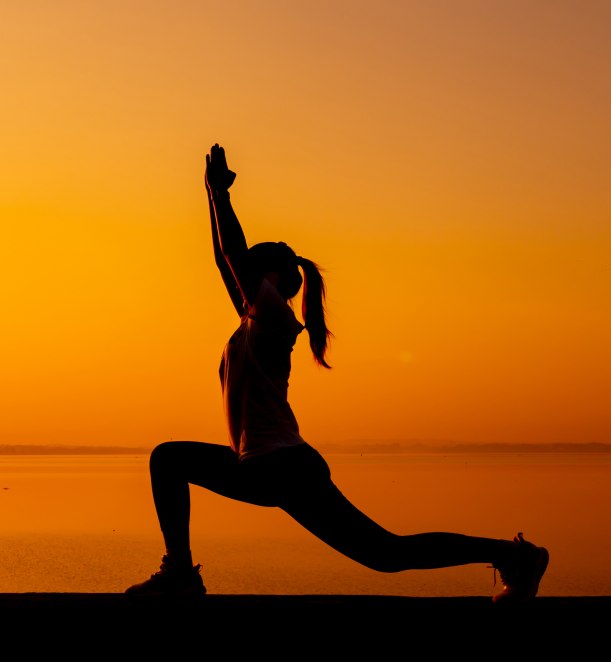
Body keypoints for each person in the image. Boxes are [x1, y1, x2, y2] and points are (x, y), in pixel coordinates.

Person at [125, 144, 549, 604]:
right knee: (168, 459)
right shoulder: (254, 319)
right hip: (262, 464)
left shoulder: (273, 316)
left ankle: (514, 556)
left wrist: (221, 198)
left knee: (388, 554)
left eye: (250, 269)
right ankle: (181, 573)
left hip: (282, 466)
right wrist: (211, 195)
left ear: (267, 279)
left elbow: (233, 257)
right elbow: (225, 262)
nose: (239, 275)